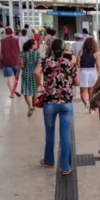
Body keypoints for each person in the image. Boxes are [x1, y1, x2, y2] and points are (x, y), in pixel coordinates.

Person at [34, 39, 78, 175]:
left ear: (51, 49)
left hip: (50, 102)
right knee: (65, 134)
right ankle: (65, 167)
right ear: (64, 49)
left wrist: (40, 85)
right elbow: (77, 81)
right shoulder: (69, 63)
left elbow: (36, 72)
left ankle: (49, 160)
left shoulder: (45, 61)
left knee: (50, 132)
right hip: (66, 103)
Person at [18, 39, 41, 117]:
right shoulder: (37, 53)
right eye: (36, 44)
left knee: (26, 90)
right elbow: (39, 64)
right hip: (35, 73)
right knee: (34, 90)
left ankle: (30, 106)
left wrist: (17, 73)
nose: (37, 45)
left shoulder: (23, 53)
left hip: (26, 73)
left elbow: (21, 64)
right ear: (32, 45)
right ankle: (33, 107)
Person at [77, 37, 100, 113]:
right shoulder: (95, 53)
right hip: (92, 72)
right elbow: (98, 65)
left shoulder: (81, 52)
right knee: (91, 91)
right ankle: (91, 108)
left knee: (82, 91)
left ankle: (85, 103)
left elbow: (77, 64)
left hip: (83, 71)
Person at [0, 27, 21, 98]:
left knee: (9, 78)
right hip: (16, 61)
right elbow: (20, 49)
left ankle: (12, 93)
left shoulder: (2, 41)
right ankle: (16, 89)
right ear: (12, 33)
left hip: (6, 62)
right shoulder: (17, 40)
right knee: (17, 77)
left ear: (5, 33)